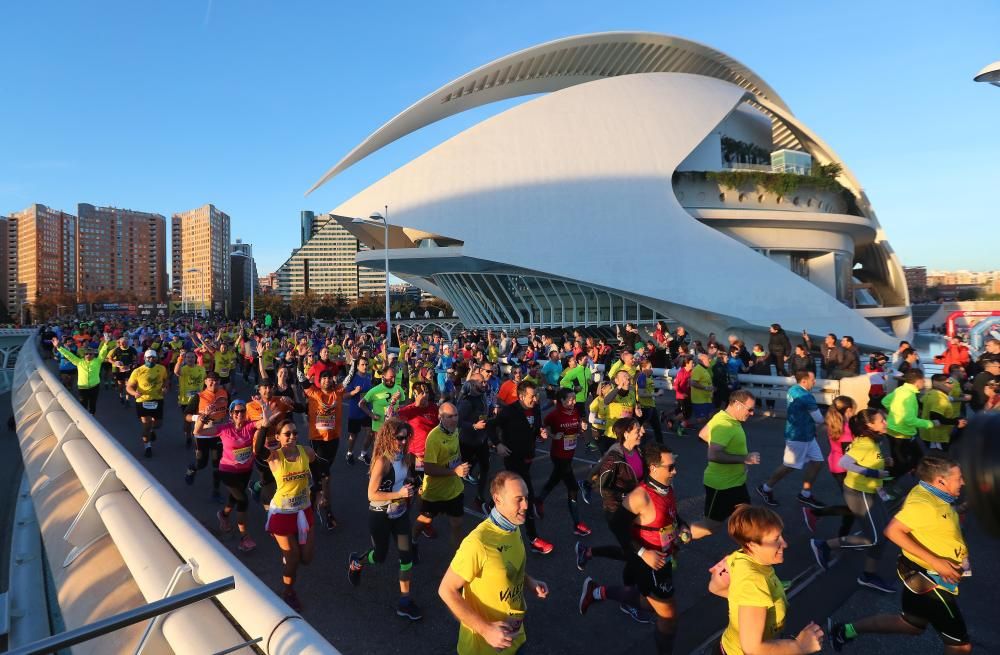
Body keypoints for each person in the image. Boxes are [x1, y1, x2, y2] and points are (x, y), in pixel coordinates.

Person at [828, 456, 971, 654]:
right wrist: (937, 562)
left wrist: (963, 509)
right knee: (960, 646)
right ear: (940, 481)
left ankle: (845, 630)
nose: (963, 482)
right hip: (931, 580)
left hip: (920, 575)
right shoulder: (923, 503)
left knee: (910, 625)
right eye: (959, 478)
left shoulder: (937, 496)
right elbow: (892, 531)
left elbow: (935, 521)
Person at [581, 442, 704, 653]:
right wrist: (642, 552)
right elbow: (616, 526)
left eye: (674, 465)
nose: (675, 470)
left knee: (647, 603)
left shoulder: (666, 487)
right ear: (653, 468)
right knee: (668, 617)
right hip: (649, 562)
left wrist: (681, 525)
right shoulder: (641, 496)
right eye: (670, 467)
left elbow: (671, 513)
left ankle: (598, 591)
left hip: (664, 556)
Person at [438, 471, 549, 655]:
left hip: (515, 637)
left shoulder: (512, 527)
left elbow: (506, 566)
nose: (526, 505)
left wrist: (529, 582)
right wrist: (485, 630)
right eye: (519, 499)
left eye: (527, 498)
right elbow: (446, 589)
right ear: (498, 499)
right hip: (483, 647)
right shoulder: (478, 542)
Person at [714, 505, 825, 655]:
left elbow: (715, 587)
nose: (784, 544)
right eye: (776, 539)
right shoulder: (754, 583)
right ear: (752, 544)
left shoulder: (740, 555)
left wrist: (749, 600)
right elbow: (753, 649)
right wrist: (799, 647)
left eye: (781, 536)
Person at [808, 409, 895, 594]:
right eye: (881, 420)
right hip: (859, 493)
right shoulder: (864, 443)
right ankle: (824, 545)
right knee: (876, 538)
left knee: (885, 534)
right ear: (869, 425)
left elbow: (865, 461)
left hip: (870, 491)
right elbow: (844, 463)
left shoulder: (872, 440)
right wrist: (873, 473)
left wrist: (884, 462)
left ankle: (868, 575)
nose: (885, 423)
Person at [348, 418, 422, 621]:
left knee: (406, 557)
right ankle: (357, 561)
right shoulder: (382, 461)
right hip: (380, 514)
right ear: (390, 438)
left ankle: (405, 601)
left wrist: (415, 485)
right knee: (379, 556)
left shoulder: (406, 458)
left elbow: (407, 481)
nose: (404, 442)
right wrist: (399, 494)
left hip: (400, 514)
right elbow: (371, 494)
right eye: (399, 438)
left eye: (406, 438)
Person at [491, 380, 554, 554]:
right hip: (513, 458)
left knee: (510, 493)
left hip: (528, 457)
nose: (535, 399)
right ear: (520, 396)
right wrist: (498, 444)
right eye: (532, 396)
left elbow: (534, 429)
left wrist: (540, 433)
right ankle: (533, 539)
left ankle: (491, 505)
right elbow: (491, 426)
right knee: (527, 496)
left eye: (536, 395)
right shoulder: (509, 411)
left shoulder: (535, 408)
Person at [690, 390, 759, 537]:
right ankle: (677, 537)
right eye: (750, 409)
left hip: (736, 483)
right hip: (721, 486)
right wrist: (744, 458)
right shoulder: (724, 423)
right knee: (710, 526)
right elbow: (713, 454)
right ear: (738, 405)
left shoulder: (722, 416)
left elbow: (702, 434)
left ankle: (753, 551)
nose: (752, 413)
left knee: (748, 520)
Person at [265, 418, 317, 611]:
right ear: (278, 437)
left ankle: (288, 555)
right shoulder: (275, 457)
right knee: (294, 557)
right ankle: (288, 591)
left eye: (295, 433)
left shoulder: (307, 453)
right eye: (287, 434)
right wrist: (264, 425)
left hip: (304, 510)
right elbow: (258, 451)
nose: (292, 437)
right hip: (283, 513)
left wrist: (320, 493)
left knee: (307, 559)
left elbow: (317, 472)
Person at [756, 371, 827, 509]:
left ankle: (805, 494)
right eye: (813, 380)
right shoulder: (807, 396)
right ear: (804, 381)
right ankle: (765, 488)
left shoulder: (793, 389)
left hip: (807, 434)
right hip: (798, 436)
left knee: (818, 462)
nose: (815, 382)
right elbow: (819, 419)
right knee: (789, 466)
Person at [215, 398, 273, 553]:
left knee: (235, 497)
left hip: (245, 470)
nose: (240, 414)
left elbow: (265, 423)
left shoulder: (250, 426)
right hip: (227, 471)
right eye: (236, 412)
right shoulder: (224, 428)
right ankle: (244, 537)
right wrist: (201, 419)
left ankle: (223, 515)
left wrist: (264, 408)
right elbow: (198, 431)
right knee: (242, 499)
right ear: (231, 414)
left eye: (242, 411)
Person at [303, 361, 355, 530]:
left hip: (333, 440)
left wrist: (353, 361)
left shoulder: (338, 392)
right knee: (326, 478)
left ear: (332, 380)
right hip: (317, 440)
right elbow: (301, 379)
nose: (326, 381)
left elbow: (349, 377)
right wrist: (299, 359)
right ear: (319, 381)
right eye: (322, 379)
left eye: (328, 378)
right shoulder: (313, 393)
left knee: (320, 479)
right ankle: (328, 512)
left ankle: (311, 506)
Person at [412, 402, 469, 552]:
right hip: (434, 491)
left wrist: (461, 465)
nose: (454, 419)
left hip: (454, 489)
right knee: (425, 519)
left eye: (456, 415)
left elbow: (456, 452)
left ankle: (457, 558)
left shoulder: (455, 430)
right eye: (449, 416)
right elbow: (429, 468)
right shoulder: (434, 438)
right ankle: (412, 541)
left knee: (457, 523)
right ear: (440, 417)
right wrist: (454, 471)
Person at [537, 388, 590, 536]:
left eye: (574, 399)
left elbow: (576, 429)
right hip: (558, 455)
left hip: (570, 454)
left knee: (554, 480)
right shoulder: (554, 415)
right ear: (561, 400)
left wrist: (581, 429)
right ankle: (577, 524)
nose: (573, 402)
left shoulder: (574, 412)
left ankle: (539, 500)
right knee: (573, 488)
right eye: (570, 399)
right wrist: (553, 435)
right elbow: (543, 428)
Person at [882, 369, 937, 493]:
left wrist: (895, 414)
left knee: (908, 458)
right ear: (918, 382)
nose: (924, 383)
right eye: (923, 380)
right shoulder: (910, 396)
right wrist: (930, 423)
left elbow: (885, 401)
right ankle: (888, 482)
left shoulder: (900, 390)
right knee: (905, 462)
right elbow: (910, 420)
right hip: (902, 434)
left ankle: (893, 478)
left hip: (892, 430)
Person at [184, 372, 229, 499]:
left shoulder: (225, 394)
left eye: (216, 381)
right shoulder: (199, 397)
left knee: (217, 464)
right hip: (202, 434)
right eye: (210, 380)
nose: (213, 383)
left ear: (219, 382)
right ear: (205, 382)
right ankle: (192, 469)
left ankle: (216, 490)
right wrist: (198, 417)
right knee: (201, 464)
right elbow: (186, 415)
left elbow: (229, 410)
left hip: (219, 433)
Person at [52, 335, 113, 414]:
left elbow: (102, 352)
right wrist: (59, 347)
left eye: (90, 354)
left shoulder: (98, 361)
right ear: (84, 355)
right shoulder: (79, 362)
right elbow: (69, 355)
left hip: (95, 387)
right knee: (83, 405)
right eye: (86, 354)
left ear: (93, 355)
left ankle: (92, 416)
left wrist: (106, 343)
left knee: (92, 404)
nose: (88, 355)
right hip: (82, 388)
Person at [125, 349, 169, 457]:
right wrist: (134, 393)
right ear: (144, 358)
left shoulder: (161, 368)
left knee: (158, 424)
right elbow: (129, 387)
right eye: (149, 357)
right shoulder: (138, 371)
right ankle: (147, 447)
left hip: (157, 398)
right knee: (146, 425)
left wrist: (165, 388)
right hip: (142, 400)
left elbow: (166, 380)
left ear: (156, 358)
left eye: (153, 357)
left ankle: (152, 429)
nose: (151, 359)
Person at [919, 374, 968, 451]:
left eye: (952, 382)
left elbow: (921, 404)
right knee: (939, 459)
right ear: (938, 384)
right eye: (948, 382)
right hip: (937, 438)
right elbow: (935, 417)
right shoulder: (939, 398)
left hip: (927, 434)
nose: (952, 385)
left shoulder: (930, 393)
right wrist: (956, 422)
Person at [344, 356, 374, 465]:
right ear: (357, 366)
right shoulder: (352, 378)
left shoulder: (369, 376)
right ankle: (349, 453)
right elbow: (344, 396)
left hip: (367, 410)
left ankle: (363, 454)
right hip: (355, 412)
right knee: (353, 435)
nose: (365, 366)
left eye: (366, 364)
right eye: (362, 364)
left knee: (370, 433)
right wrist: (354, 392)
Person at [174, 350, 206, 446]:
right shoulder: (183, 369)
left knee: (200, 420)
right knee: (187, 422)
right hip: (186, 401)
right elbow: (176, 371)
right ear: (185, 359)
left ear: (195, 358)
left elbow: (205, 383)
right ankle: (188, 435)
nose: (190, 359)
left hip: (199, 400)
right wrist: (180, 359)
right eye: (188, 357)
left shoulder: (201, 369)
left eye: (192, 357)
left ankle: (197, 436)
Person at [107, 336, 138, 405]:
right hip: (119, 370)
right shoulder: (117, 349)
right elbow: (109, 358)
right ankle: (121, 395)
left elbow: (136, 358)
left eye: (125, 343)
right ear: (120, 343)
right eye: (122, 343)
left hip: (129, 369)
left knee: (128, 384)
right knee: (120, 385)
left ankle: (127, 399)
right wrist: (114, 362)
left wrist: (134, 364)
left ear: (127, 343)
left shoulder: (132, 349)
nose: (123, 344)